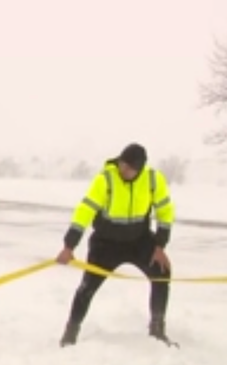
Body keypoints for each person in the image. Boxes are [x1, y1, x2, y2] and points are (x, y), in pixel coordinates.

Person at [54, 143, 176, 347]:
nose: (123, 170)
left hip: (139, 240)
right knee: (87, 288)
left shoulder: (153, 180)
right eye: (122, 164)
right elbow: (85, 211)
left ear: (139, 169)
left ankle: (157, 329)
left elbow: (165, 212)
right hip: (106, 244)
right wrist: (69, 246)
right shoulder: (105, 179)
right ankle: (70, 332)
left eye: (129, 168)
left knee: (162, 273)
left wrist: (160, 247)